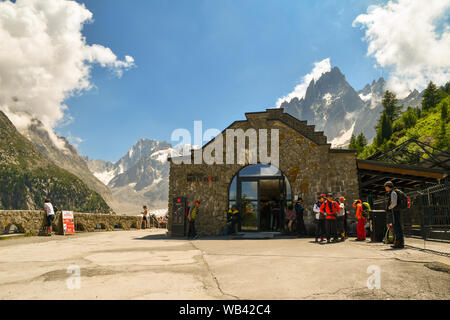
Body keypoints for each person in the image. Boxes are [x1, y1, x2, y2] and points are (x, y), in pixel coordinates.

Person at [385, 181, 404, 248]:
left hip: (395, 211)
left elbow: (394, 203)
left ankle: (399, 243)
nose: (385, 188)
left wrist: (389, 207)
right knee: (396, 226)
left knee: (397, 226)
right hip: (395, 211)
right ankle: (398, 242)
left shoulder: (393, 192)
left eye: (386, 187)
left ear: (388, 187)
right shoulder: (392, 192)